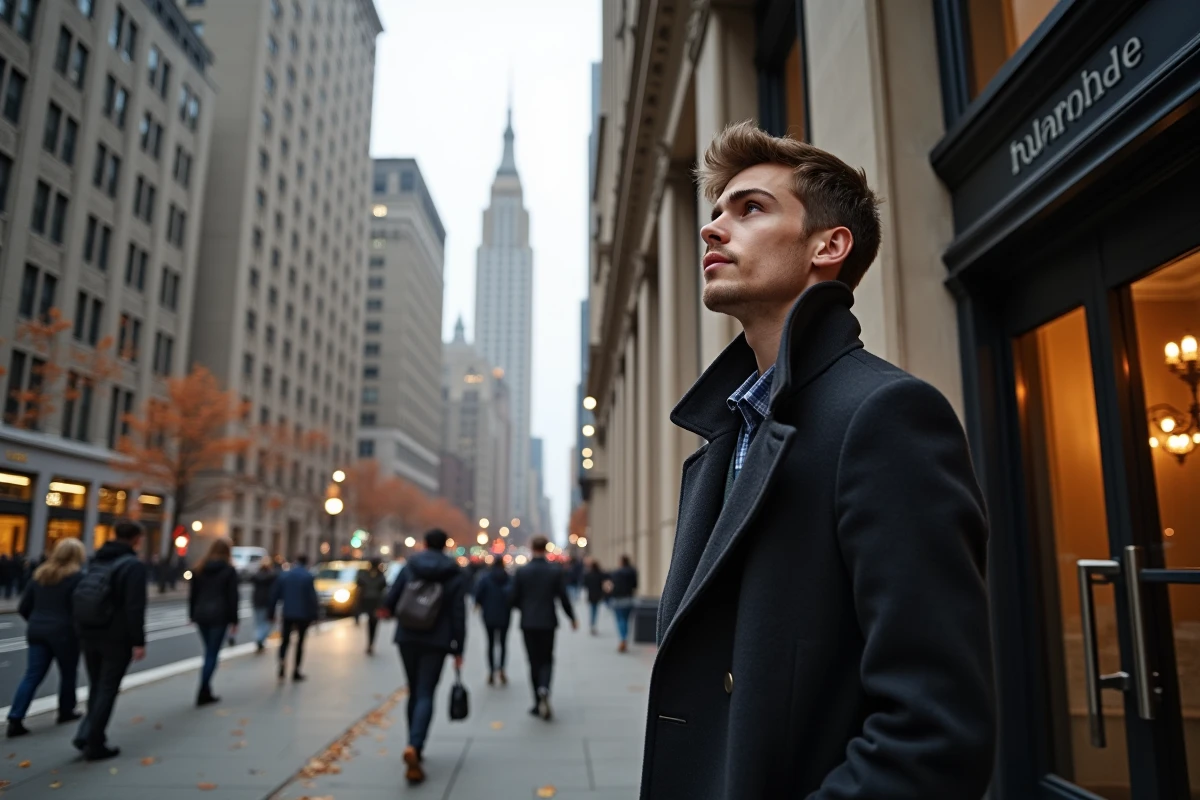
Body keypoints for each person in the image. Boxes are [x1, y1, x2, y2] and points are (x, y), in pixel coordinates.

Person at [640, 122, 993, 799]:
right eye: (715, 213)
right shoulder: (728, 432)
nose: (713, 230)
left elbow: (933, 732)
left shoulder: (886, 417)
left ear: (829, 246)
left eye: (750, 209)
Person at [380, 529, 467, 785]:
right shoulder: (454, 572)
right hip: (437, 639)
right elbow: (458, 613)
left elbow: (393, 597)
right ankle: (415, 746)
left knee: (413, 690)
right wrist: (459, 648)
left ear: (425, 543)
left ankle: (411, 743)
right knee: (427, 691)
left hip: (407, 635)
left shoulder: (411, 565)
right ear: (446, 545)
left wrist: (385, 610)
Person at [73, 521, 148, 761]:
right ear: (136, 538)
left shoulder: (97, 559)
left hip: (89, 631)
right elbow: (134, 607)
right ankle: (94, 742)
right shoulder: (133, 566)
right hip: (116, 636)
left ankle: (86, 733)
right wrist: (139, 641)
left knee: (96, 686)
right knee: (107, 688)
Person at [6, 538, 86, 737]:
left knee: (32, 675)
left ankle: (15, 717)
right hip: (64, 633)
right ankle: (66, 711)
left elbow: (24, 607)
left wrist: (36, 621)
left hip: (37, 631)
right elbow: (80, 609)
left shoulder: (40, 575)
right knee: (67, 673)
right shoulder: (77, 577)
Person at [511, 536, 576, 721]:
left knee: (533, 661)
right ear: (546, 548)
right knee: (547, 658)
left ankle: (536, 701)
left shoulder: (522, 572)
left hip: (528, 623)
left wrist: (524, 609)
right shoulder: (554, 571)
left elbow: (513, 597)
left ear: (532, 548)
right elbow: (563, 597)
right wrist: (572, 617)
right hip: (548, 622)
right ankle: (545, 688)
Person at [188, 538, 240, 705]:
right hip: (220, 615)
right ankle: (203, 690)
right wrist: (234, 620)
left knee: (208, 652)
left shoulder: (199, 568)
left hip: (201, 614)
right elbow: (233, 597)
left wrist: (191, 614)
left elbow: (193, 595)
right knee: (212, 653)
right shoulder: (229, 570)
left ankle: (206, 689)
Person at [270, 553, 319, 681]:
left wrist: (271, 612)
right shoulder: (308, 576)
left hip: (288, 612)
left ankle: (281, 663)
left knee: (285, 640)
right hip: (303, 614)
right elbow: (312, 598)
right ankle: (296, 670)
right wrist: (315, 615)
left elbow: (275, 595)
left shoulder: (286, 575)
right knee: (300, 642)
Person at [473, 558, 512, 685]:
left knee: (490, 643)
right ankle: (501, 668)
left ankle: (491, 670)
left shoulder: (485, 578)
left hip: (488, 614)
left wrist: (478, 604)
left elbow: (478, 594)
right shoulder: (508, 578)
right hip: (504, 614)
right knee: (503, 643)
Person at [355, 557, 388, 655]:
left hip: (368, 601)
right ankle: (371, 643)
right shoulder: (380, 575)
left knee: (371, 623)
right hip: (375, 602)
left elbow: (359, 584)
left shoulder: (365, 574)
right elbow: (383, 588)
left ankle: (370, 644)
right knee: (373, 623)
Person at [608, 555, 638, 652]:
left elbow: (613, 587)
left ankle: (622, 639)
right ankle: (625, 639)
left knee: (620, 620)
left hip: (618, 599)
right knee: (626, 620)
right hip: (629, 598)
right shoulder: (633, 572)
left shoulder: (616, 573)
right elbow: (635, 585)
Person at [250, 560, 277, 653]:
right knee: (267, 622)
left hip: (257, 601)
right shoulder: (272, 577)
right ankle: (260, 638)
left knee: (258, 622)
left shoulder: (256, 576)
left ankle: (259, 637)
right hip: (267, 601)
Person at [582, 559, 607, 636]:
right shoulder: (600, 574)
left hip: (591, 594)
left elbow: (585, 585)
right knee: (595, 610)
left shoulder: (588, 575)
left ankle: (592, 624)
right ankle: (593, 624)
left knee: (592, 610)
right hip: (598, 595)